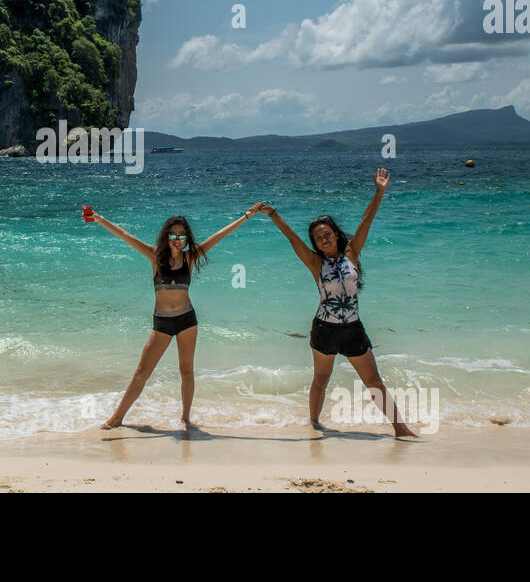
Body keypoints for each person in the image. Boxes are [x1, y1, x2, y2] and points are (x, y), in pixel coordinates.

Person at [256, 169, 416, 437]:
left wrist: (379, 191)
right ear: (315, 244)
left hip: (353, 329)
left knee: (374, 381)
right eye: (319, 238)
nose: (324, 239)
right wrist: (273, 214)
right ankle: (315, 425)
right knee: (320, 380)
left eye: (327, 234)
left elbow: (367, 220)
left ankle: (400, 427)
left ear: (336, 234)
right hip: (324, 329)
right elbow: (292, 239)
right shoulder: (315, 262)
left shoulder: (351, 253)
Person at [90, 206, 258, 429]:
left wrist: (246, 217)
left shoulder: (191, 256)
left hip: (187, 320)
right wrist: (99, 219)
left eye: (181, 236)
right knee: (141, 372)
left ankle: (185, 418)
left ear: (186, 238)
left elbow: (221, 234)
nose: (177, 240)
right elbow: (125, 235)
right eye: (173, 235)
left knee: (186, 371)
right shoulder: (154, 256)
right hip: (162, 322)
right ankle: (117, 417)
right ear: (165, 236)